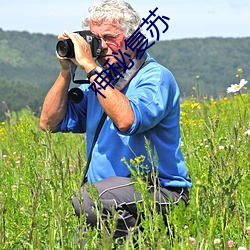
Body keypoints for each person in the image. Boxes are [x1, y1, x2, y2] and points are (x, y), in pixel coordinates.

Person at [40, 0, 192, 244]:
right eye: (95, 38)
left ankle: (146, 241)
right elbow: (49, 123)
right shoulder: (99, 84)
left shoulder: (154, 77)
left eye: (110, 37)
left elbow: (127, 120)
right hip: (110, 199)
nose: (101, 47)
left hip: (160, 192)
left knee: (88, 200)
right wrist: (66, 70)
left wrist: (89, 66)